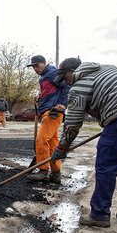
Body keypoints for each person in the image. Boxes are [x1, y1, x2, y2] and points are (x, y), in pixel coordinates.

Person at [51, 57, 117, 227]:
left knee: (106, 165)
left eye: (65, 78)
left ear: (73, 72)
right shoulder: (109, 68)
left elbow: (73, 123)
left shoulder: (79, 86)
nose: (66, 83)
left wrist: (62, 147)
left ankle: (99, 214)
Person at [27, 55, 70, 184]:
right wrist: (41, 95)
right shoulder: (45, 76)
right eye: (33, 66)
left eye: (37, 65)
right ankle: (56, 174)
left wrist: (63, 104)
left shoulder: (52, 73)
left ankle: (43, 171)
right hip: (48, 110)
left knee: (41, 140)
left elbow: (68, 86)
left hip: (53, 112)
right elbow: (52, 90)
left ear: (44, 63)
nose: (35, 69)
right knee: (52, 144)